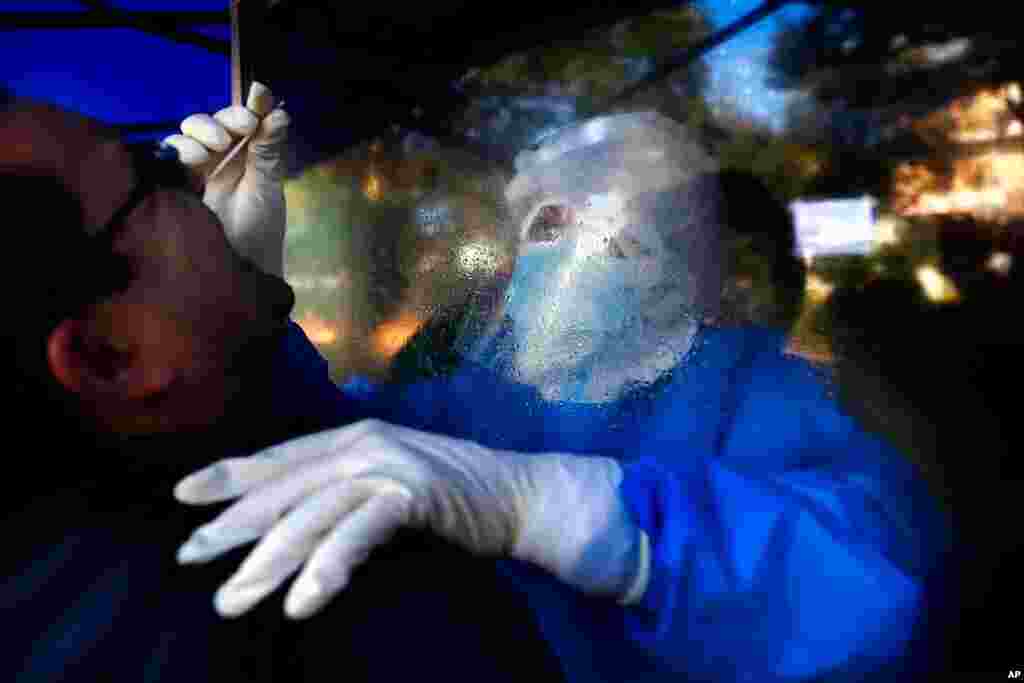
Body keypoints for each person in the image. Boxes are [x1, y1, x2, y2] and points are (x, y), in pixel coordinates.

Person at [169, 111, 955, 681]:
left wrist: (572, 510)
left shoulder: (763, 392)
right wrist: (243, 297)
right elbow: (311, 451)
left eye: (616, 237)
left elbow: (871, 593)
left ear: (684, 265)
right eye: (549, 228)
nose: (572, 260)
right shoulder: (472, 397)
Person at [0, 85, 565, 682]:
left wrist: (248, 332)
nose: (193, 186)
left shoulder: (124, 527)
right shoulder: (335, 620)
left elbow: (302, 455)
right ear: (108, 356)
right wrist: (605, 533)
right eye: (151, 171)